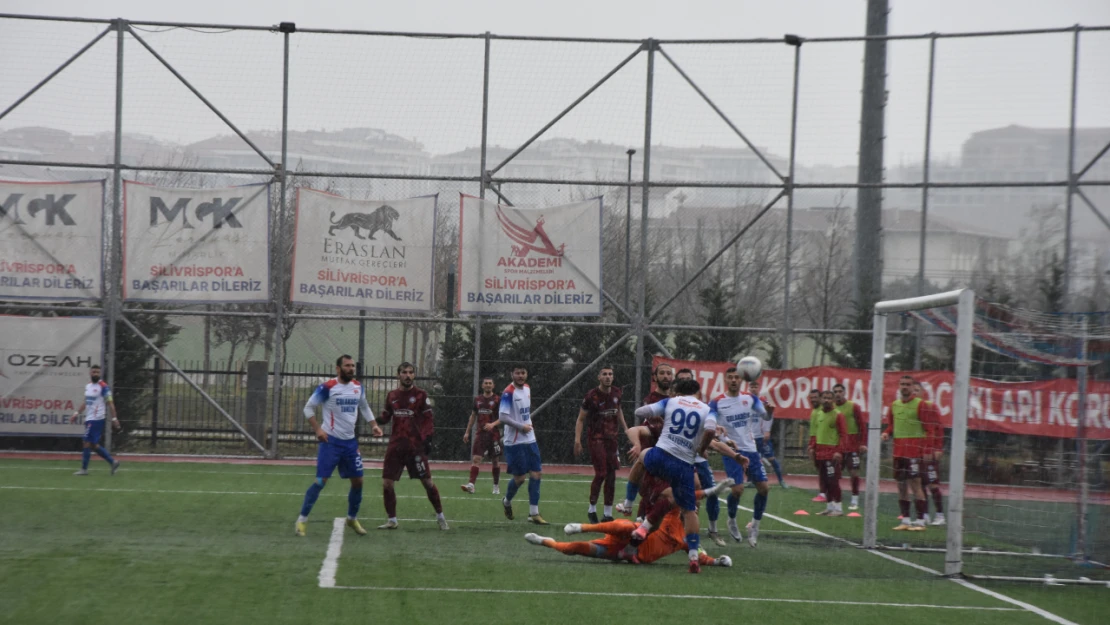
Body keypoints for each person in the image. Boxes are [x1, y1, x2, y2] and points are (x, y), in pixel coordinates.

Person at [524, 480, 737, 568]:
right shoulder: (673, 512)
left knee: (575, 549)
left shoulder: (687, 538)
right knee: (627, 527)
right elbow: (685, 496)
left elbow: (700, 555)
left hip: (622, 553)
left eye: (696, 509)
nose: (693, 509)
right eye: (693, 507)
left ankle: (545, 542)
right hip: (631, 537)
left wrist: (718, 562)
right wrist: (714, 491)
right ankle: (583, 526)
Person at [631, 377, 719, 574]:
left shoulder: (671, 401)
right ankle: (694, 556)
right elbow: (711, 430)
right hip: (683, 464)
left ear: (679, 391)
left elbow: (640, 412)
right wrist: (701, 448)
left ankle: (630, 505)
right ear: (698, 392)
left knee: (642, 457)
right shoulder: (707, 409)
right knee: (689, 510)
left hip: (660, 456)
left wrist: (662, 417)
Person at [295, 355, 383, 537]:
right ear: (338, 368)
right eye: (347, 366)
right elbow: (308, 408)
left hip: (350, 443)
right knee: (320, 481)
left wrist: (373, 424)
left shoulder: (358, 387)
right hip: (331, 442)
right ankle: (302, 520)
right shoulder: (327, 387)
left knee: (358, 481)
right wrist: (318, 429)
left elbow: (364, 407)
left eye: (352, 366)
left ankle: (352, 518)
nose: (351, 369)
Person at [377, 362, 447, 530]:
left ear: (414, 375)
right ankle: (392, 520)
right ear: (398, 375)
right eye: (404, 372)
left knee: (427, 483)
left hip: (415, 447)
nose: (407, 375)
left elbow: (428, 419)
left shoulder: (421, 395)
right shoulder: (392, 395)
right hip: (395, 446)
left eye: (410, 372)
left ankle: (440, 516)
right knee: (387, 483)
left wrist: (428, 438)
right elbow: (386, 415)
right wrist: (376, 422)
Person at [709, 367, 770, 546]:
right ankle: (732, 519)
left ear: (741, 380)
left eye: (737, 377)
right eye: (730, 378)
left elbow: (766, 416)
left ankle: (754, 526)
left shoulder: (750, 398)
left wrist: (770, 411)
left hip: (751, 449)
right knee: (737, 490)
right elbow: (710, 422)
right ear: (725, 380)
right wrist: (717, 436)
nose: (734, 380)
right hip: (731, 450)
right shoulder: (717, 402)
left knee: (764, 489)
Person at [882, 375, 942, 531]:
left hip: (914, 452)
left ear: (912, 387)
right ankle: (906, 520)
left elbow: (929, 430)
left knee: (916, 485)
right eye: (902, 384)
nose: (905, 387)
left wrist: (928, 449)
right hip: (898, 452)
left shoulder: (921, 405)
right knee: (901, 486)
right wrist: (886, 433)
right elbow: (891, 425)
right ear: (899, 386)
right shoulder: (894, 405)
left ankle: (921, 521)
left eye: (908, 385)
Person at [615, 363, 673, 517]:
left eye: (669, 373)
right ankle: (640, 522)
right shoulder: (652, 400)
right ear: (655, 377)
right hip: (656, 451)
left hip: (672, 452)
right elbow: (647, 427)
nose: (666, 376)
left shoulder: (676, 401)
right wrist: (637, 444)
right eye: (662, 373)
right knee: (650, 494)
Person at [674, 368, 725, 547]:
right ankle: (674, 531)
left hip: (698, 459)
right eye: (682, 381)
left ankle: (712, 531)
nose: (686, 384)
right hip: (678, 458)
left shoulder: (702, 407)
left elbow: (710, 429)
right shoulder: (671, 405)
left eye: (689, 380)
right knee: (678, 496)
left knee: (710, 491)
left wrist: (717, 436)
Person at [574, 366, 629, 523]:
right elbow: (581, 419)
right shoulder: (591, 396)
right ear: (599, 377)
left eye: (610, 374)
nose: (608, 377)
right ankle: (591, 508)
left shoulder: (617, 393)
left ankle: (607, 513)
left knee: (612, 475)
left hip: (612, 440)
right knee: (601, 473)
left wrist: (626, 429)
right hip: (596, 439)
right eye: (604, 374)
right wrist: (577, 440)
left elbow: (618, 410)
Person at [500, 365, 547, 525]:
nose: (520, 376)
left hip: (530, 438)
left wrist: (527, 427)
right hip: (514, 441)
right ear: (511, 374)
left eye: (523, 373)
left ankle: (533, 513)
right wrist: (521, 427)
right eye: (517, 373)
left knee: (536, 473)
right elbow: (503, 417)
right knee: (519, 479)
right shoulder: (508, 392)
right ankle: (506, 501)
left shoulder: (527, 388)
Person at [72, 365, 121, 476]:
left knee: (86, 442)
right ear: (90, 373)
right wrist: (76, 413)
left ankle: (84, 469)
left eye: (97, 372)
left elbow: (110, 403)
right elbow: (86, 401)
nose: (95, 374)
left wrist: (114, 418)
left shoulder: (103, 386)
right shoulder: (88, 386)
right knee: (93, 445)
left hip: (96, 419)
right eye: (94, 372)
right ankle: (113, 462)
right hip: (89, 418)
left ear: (100, 374)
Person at [809, 389, 848, 516]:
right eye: (824, 398)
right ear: (821, 400)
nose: (826, 400)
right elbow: (816, 433)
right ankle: (829, 507)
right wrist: (812, 447)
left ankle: (839, 508)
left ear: (833, 400)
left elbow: (843, 435)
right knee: (824, 481)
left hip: (832, 453)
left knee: (833, 481)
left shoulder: (838, 415)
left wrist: (839, 451)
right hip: (820, 452)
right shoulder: (819, 413)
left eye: (829, 398)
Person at [461, 376, 502, 495]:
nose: (488, 385)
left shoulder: (498, 399)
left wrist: (492, 424)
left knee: (495, 460)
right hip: (481, 434)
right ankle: (471, 485)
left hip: (494, 435)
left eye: (490, 383)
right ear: (482, 386)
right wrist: (467, 431)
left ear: (493, 386)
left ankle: (495, 486)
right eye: (486, 383)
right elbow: (473, 416)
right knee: (476, 459)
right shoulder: (477, 399)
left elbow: (503, 417)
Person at [914, 381, 946, 526]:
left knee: (933, 485)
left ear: (923, 392)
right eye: (912, 390)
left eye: (917, 390)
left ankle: (940, 515)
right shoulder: (909, 408)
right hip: (915, 453)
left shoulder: (930, 407)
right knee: (919, 484)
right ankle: (924, 515)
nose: (914, 393)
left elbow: (938, 429)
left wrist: (938, 448)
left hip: (930, 454)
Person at [832, 383, 868, 510]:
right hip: (837, 446)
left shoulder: (853, 406)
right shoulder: (831, 408)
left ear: (844, 393)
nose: (837, 393)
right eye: (835, 391)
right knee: (834, 474)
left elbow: (862, 426)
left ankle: (854, 499)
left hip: (852, 446)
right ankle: (836, 500)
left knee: (854, 473)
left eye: (840, 391)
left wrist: (863, 443)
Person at [750, 378, 787, 488]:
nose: (753, 389)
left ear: (759, 388)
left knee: (771, 459)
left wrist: (767, 431)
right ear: (748, 388)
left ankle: (781, 481)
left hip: (761, 436)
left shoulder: (763, 401)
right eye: (751, 387)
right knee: (751, 458)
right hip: (750, 436)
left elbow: (770, 415)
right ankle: (751, 481)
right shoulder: (746, 401)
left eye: (755, 387)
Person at [805, 389, 826, 502]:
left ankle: (824, 493)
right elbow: (813, 431)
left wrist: (813, 445)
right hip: (815, 442)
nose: (813, 400)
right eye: (811, 398)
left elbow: (820, 430)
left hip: (821, 443)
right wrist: (811, 444)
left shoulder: (822, 411)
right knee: (821, 469)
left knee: (824, 469)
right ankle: (824, 492)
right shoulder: (814, 411)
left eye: (815, 397)